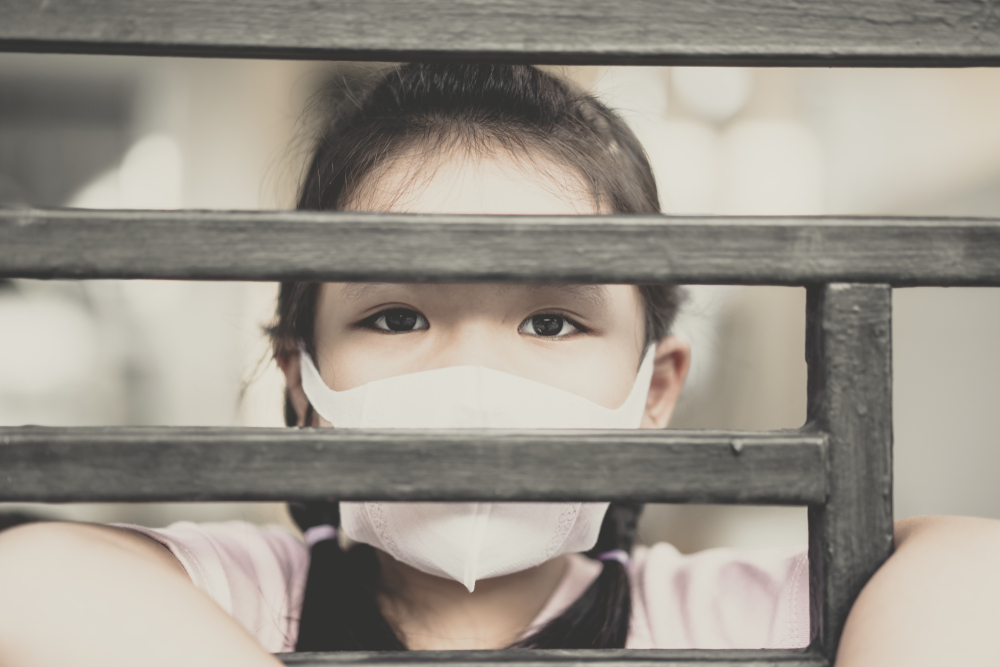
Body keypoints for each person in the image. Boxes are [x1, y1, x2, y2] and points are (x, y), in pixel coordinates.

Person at [0, 63, 998, 667]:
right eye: (396, 316)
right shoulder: (244, 594)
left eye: (552, 324)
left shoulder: (701, 612)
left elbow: (968, 569)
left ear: (655, 387)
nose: (474, 378)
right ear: (300, 378)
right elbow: (30, 576)